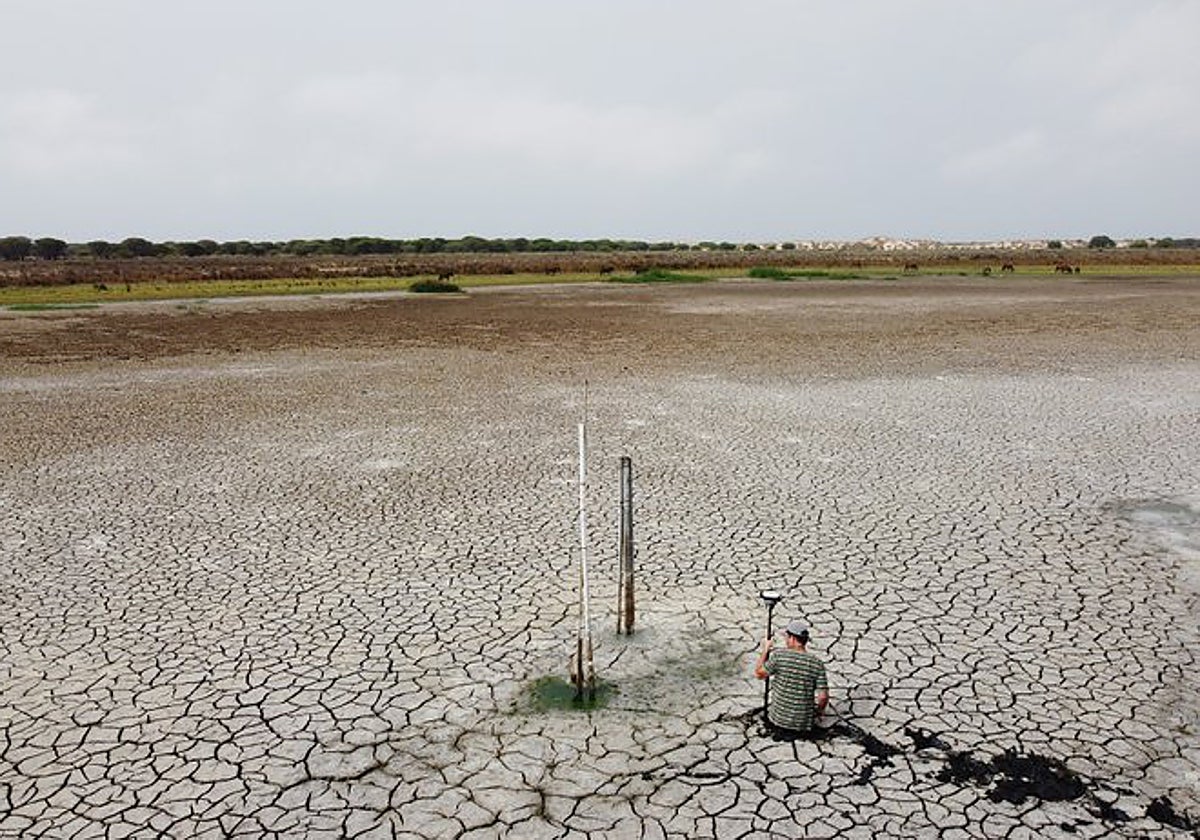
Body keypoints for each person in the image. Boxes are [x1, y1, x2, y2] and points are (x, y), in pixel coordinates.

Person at [755, 619, 828, 736]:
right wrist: (819, 712)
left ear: (792, 638)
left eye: (786, 637)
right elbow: (823, 697)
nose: (785, 640)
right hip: (803, 724)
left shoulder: (780, 657)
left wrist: (765, 650)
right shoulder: (817, 663)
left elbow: (759, 674)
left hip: (777, 720)